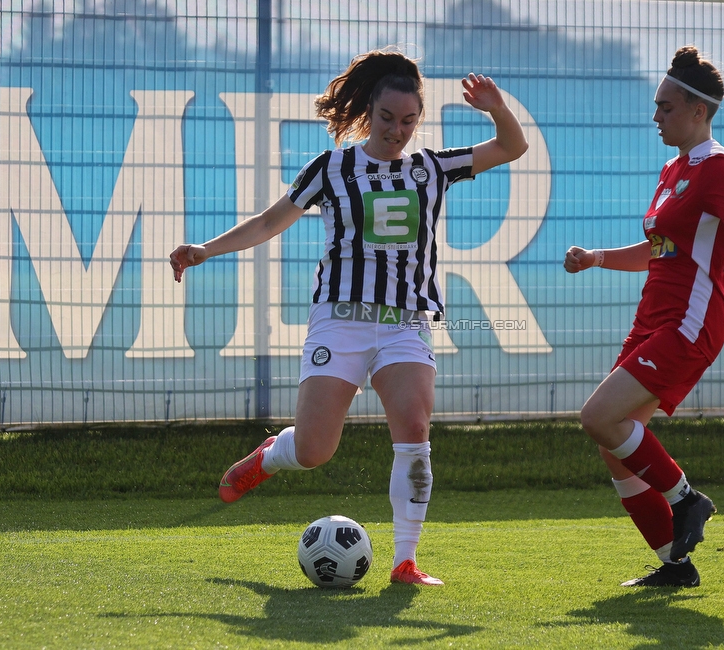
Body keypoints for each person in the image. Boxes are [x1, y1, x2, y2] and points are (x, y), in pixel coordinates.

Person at [170, 49, 528, 585]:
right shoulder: (332, 167)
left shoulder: (434, 167)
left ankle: (405, 561)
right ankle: (270, 456)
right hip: (340, 320)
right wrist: (204, 250)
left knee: (414, 427)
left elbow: (512, 146)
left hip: (406, 322)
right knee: (315, 451)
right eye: (387, 118)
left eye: (409, 121)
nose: (397, 131)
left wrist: (497, 107)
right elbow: (271, 222)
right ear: (369, 110)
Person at [564, 46, 724, 588]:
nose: (656, 116)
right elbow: (659, 250)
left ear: (698, 111)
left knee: (598, 418)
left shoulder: (718, 165)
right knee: (616, 447)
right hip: (653, 317)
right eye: (656, 106)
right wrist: (597, 258)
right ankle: (675, 564)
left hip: (690, 323)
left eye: (666, 107)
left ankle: (686, 500)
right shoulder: (674, 167)